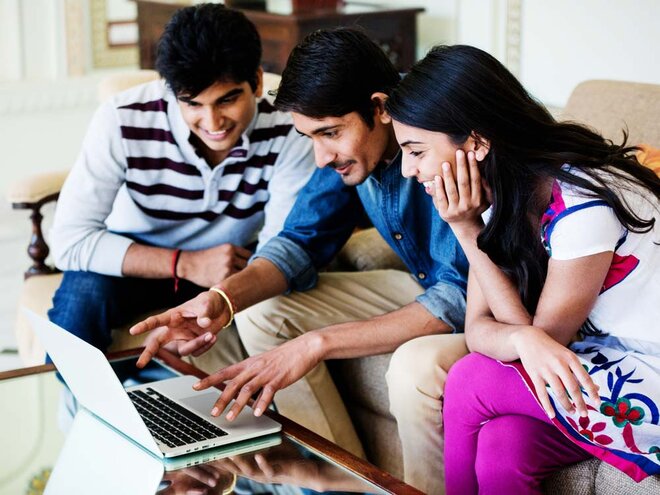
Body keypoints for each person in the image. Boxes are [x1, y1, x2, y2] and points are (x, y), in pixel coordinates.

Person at [129, 27, 469, 489]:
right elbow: (301, 238)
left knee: (409, 363)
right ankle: (336, 483)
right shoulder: (353, 150)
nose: (321, 157)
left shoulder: (439, 137)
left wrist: (315, 343)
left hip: (478, 299)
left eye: (330, 133)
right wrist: (221, 300)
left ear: (380, 107)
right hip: (428, 284)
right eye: (309, 136)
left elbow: (460, 297)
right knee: (262, 311)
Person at [385, 44, 660, 493]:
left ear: (476, 142)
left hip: (650, 368)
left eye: (416, 151)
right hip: (602, 359)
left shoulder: (583, 204)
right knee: (504, 445)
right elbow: (482, 329)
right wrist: (469, 227)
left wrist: (467, 231)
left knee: (471, 379)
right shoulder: (504, 194)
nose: (407, 170)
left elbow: (539, 347)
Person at [48, 3, 315, 372]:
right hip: (135, 259)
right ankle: (90, 398)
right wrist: (186, 263)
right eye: (193, 104)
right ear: (172, 92)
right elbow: (69, 242)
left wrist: (220, 294)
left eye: (227, 100)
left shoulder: (290, 127)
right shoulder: (122, 119)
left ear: (256, 81)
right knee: (80, 306)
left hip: (231, 268)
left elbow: (279, 246)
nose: (213, 123)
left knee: (278, 294)